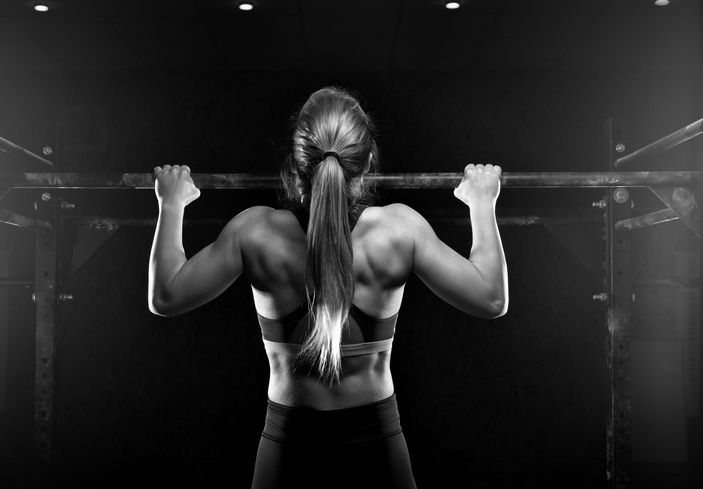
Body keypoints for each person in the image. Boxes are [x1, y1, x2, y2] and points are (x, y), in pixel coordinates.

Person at [147, 86, 508, 489]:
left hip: (289, 447)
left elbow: (166, 296)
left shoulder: (255, 232)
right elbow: (491, 297)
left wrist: (171, 205)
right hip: (376, 446)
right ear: (368, 161)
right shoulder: (400, 230)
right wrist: (481, 205)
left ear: (296, 161)